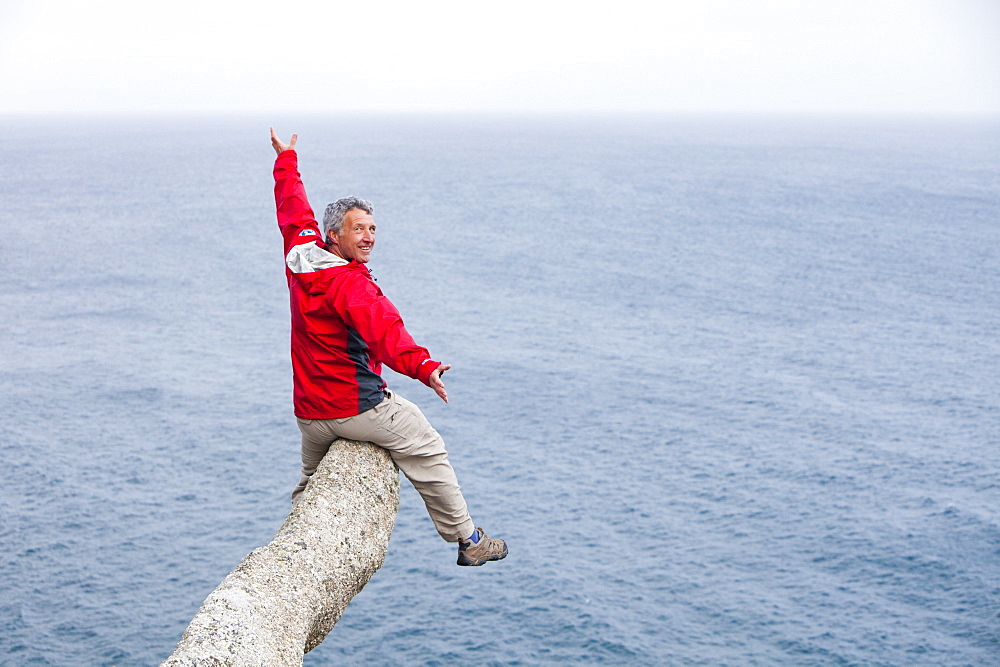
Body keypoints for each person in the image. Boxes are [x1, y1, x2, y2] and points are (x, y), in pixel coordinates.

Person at [269, 128, 507, 567]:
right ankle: (469, 540)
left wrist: (287, 162)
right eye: (358, 229)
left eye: (373, 229)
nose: (369, 237)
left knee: (311, 478)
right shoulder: (350, 285)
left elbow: (291, 210)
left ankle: (291, 547)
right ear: (335, 236)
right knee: (426, 445)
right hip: (353, 408)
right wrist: (425, 367)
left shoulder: (301, 252)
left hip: (309, 412)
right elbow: (387, 333)